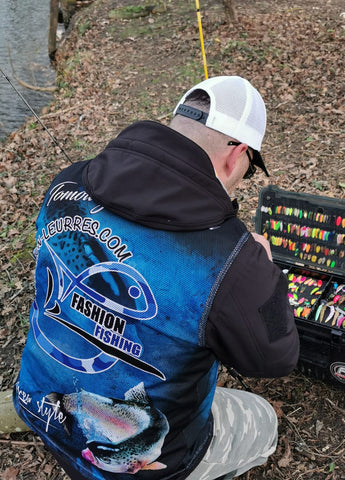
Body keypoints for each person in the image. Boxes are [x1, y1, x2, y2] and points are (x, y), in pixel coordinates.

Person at [13, 75, 299, 480]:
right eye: (248, 170)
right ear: (236, 154)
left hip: (35, 404)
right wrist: (265, 274)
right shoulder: (235, 261)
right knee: (264, 418)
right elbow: (275, 359)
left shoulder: (67, 180)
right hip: (140, 464)